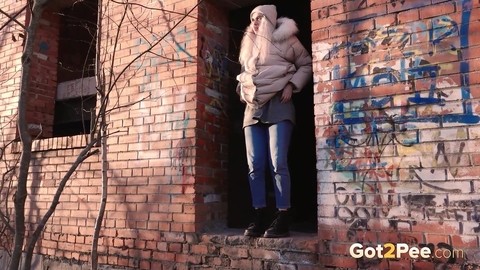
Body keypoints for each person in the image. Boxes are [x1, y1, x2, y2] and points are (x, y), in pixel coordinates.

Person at [236, 4, 312, 238]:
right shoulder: (248, 44)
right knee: (255, 165)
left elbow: (306, 64)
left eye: (260, 18)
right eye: (253, 18)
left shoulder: (286, 39)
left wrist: (291, 85)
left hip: (279, 104)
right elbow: (244, 75)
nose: (256, 22)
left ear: (270, 19)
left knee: (277, 162)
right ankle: (259, 215)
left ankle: (283, 215)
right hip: (253, 108)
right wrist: (242, 90)